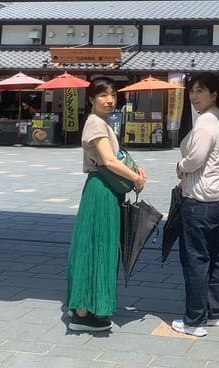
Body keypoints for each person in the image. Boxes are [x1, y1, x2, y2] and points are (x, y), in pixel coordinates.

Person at [67, 77, 146, 333]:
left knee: (93, 245)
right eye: (102, 95)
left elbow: (115, 159)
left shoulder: (101, 122)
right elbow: (110, 162)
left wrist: (133, 169)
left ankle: (82, 307)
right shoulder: (96, 124)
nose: (109, 100)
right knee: (99, 247)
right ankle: (84, 312)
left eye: (112, 94)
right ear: (91, 99)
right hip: (101, 191)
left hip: (101, 189)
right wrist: (134, 178)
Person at [172, 72, 219, 337]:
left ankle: (194, 321)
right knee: (214, 254)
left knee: (195, 259)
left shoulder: (206, 121)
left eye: (200, 90)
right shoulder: (218, 117)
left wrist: (180, 166)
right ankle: (216, 311)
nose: (194, 96)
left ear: (213, 93)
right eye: (191, 91)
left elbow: (195, 158)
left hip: (200, 200)